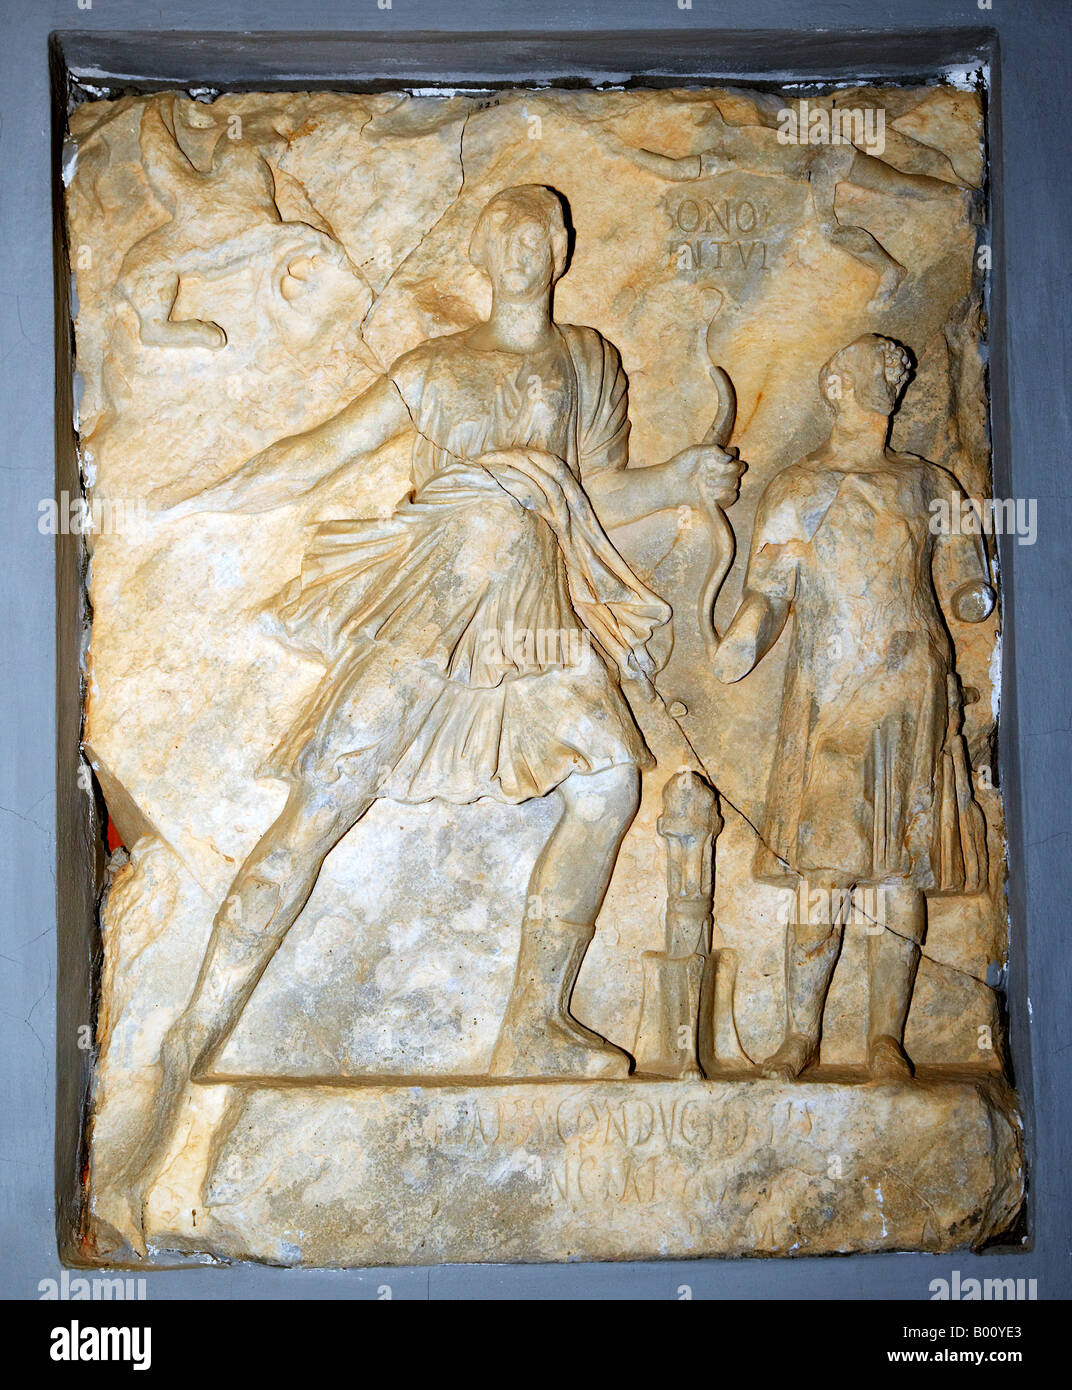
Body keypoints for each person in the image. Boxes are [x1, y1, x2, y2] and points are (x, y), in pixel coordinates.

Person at [109, 184, 742, 1246]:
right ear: (479, 248)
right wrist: (174, 506)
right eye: (502, 231)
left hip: (536, 617)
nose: (520, 248)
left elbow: (591, 490)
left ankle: (532, 1022)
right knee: (316, 812)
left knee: (608, 780)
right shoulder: (437, 368)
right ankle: (179, 1054)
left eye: (539, 230)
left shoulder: (585, 359)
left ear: (564, 245)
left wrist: (678, 477)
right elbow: (316, 455)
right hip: (434, 605)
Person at [713, 334, 993, 1081]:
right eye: (872, 366)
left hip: (909, 682)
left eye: (895, 371)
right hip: (833, 689)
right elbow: (769, 590)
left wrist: (976, 589)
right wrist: (744, 638)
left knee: (900, 870)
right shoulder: (799, 487)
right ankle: (800, 1034)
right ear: (832, 382)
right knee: (825, 872)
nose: (887, 377)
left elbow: (967, 577)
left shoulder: (926, 484)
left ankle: (884, 1040)